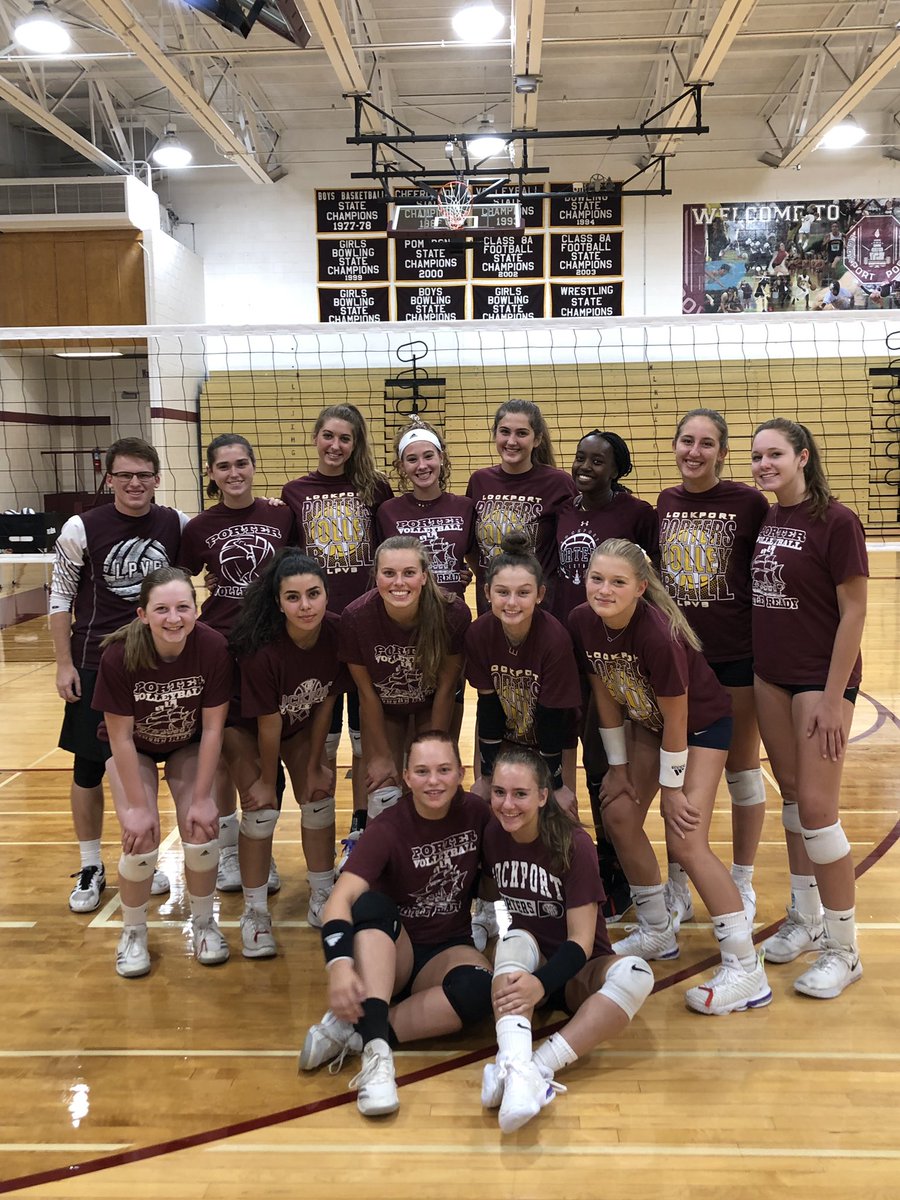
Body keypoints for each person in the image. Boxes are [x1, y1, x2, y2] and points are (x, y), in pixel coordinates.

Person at [569, 539, 772, 1016]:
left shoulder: (657, 634)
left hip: (699, 727)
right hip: (648, 724)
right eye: (597, 578)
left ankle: (746, 970)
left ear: (641, 588)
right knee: (617, 812)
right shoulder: (583, 621)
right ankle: (658, 930)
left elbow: (679, 719)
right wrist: (618, 769)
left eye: (618, 582)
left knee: (685, 839)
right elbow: (604, 692)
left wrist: (674, 789)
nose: (604, 589)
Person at [299, 732, 493, 1117]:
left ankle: (358, 1025)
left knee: (481, 989)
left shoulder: (477, 813)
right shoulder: (388, 827)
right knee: (369, 904)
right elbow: (338, 902)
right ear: (406, 777)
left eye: (443, 770)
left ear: (461, 773)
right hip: (394, 950)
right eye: (422, 771)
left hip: (446, 950)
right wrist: (338, 968)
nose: (433, 781)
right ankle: (377, 1058)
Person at [750, 419, 867, 999]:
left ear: (802, 457)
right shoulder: (770, 516)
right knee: (794, 798)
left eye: (774, 454)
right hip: (771, 674)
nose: (763, 464)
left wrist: (832, 695)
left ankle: (845, 949)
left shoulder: (837, 520)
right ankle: (805, 915)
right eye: (756, 457)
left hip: (819, 682)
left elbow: (854, 613)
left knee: (819, 809)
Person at [479, 747, 654, 1133]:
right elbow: (485, 891)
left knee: (639, 973)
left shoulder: (574, 843)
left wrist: (540, 984)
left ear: (543, 796)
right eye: (499, 792)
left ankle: (533, 1069)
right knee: (515, 938)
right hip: (529, 963)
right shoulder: (492, 834)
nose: (508, 805)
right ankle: (514, 1064)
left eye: (520, 794)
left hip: (576, 972)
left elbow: (581, 943)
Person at [50, 436, 185, 914]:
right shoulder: (80, 528)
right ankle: (91, 864)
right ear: (108, 479)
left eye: (143, 475)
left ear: (156, 479)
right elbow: (60, 600)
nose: (134, 483)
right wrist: (64, 664)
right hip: (94, 662)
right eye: (124, 475)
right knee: (88, 767)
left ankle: (143, 858)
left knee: (142, 767)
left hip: (158, 664)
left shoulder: (174, 523)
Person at [657, 409, 770, 929]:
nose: (694, 452)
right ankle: (677, 884)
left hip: (735, 656)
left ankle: (742, 878)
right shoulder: (665, 502)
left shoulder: (749, 503)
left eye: (706, 444)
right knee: (677, 776)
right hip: (681, 662)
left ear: (722, 453)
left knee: (742, 770)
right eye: (686, 441)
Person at [92, 567, 234, 977]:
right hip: (133, 746)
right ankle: (133, 933)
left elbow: (212, 729)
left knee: (201, 827)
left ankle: (205, 924)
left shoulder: (212, 647)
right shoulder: (119, 655)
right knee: (142, 835)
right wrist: (136, 808)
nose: (173, 618)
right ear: (142, 615)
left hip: (187, 743)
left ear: (196, 610)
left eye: (183, 608)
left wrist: (205, 797)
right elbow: (119, 739)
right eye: (162, 609)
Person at [178, 433, 296, 895]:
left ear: (252, 465)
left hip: (271, 643)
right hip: (222, 645)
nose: (234, 473)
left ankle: (259, 848)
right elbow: (181, 577)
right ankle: (230, 849)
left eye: (241, 463)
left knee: (268, 745)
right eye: (223, 466)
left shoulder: (280, 514)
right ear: (211, 473)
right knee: (225, 751)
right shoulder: (199, 527)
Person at [554, 430, 658, 919]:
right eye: (581, 458)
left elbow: (651, 582)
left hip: (609, 651)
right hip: (562, 647)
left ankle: (612, 862)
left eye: (598, 461)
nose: (586, 466)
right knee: (555, 746)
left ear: (617, 469)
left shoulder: (637, 514)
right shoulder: (560, 508)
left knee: (600, 753)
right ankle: (566, 857)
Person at [281, 404, 393, 855]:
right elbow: (289, 562)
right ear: (315, 436)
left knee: (366, 733)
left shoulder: (375, 490)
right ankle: (321, 818)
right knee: (322, 734)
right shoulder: (295, 492)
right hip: (320, 631)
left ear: (356, 444)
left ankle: (362, 824)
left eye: (345, 438)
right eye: (328, 435)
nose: (335, 445)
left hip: (366, 626)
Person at [225, 550, 349, 948]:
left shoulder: (336, 633)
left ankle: (322, 894)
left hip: (299, 723)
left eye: (313, 594)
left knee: (317, 794)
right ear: (278, 602)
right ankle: (255, 912)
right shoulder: (264, 649)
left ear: (327, 595)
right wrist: (265, 780)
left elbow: (327, 701)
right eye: (293, 597)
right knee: (261, 811)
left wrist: (315, 763)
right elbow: (268, 721)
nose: (305, 605)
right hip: (245, 728)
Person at [339, 536, 470, 814]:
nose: (399, 583)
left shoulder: (453, 613)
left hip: (434, 701)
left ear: (424, 576)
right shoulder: (355, 617)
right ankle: (373, 840)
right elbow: (366, 693)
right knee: (384, 785)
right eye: (389, 573)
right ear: (375, 576)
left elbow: (447, 688)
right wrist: (382, 755)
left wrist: (435, 748)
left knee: (428, 778)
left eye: (409, 573)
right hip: (384, 706)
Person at [466, 531, 582, 814]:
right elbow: (489, 706)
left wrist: (554, 784)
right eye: (502, 592)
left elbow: (552, 717)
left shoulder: (555, 638)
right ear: (487, 593)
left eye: (523, 593)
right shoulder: (479, 634)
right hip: (506, 733)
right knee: (494, 805)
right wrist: (487, 773)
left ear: (540, 594)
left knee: (556, 814)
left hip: (554, 736)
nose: (512, 603)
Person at [466, 399, 577, 614]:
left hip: (541, 608)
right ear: (495, 434)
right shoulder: (479, 481)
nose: (511, 441)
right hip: (492, 606)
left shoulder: (558, 483)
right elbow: (472, 547)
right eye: (505, 432)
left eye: (522, 433)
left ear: (537, 439)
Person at [376, 418, 476, 599]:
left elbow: (473, 562)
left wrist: (458, 573)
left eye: (428, 456)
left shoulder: (464, 507)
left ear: (441, 457)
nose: (422, 465)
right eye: (412, 459)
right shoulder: (388, 512)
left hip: (452, 611)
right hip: (406, 612)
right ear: (402, 466)